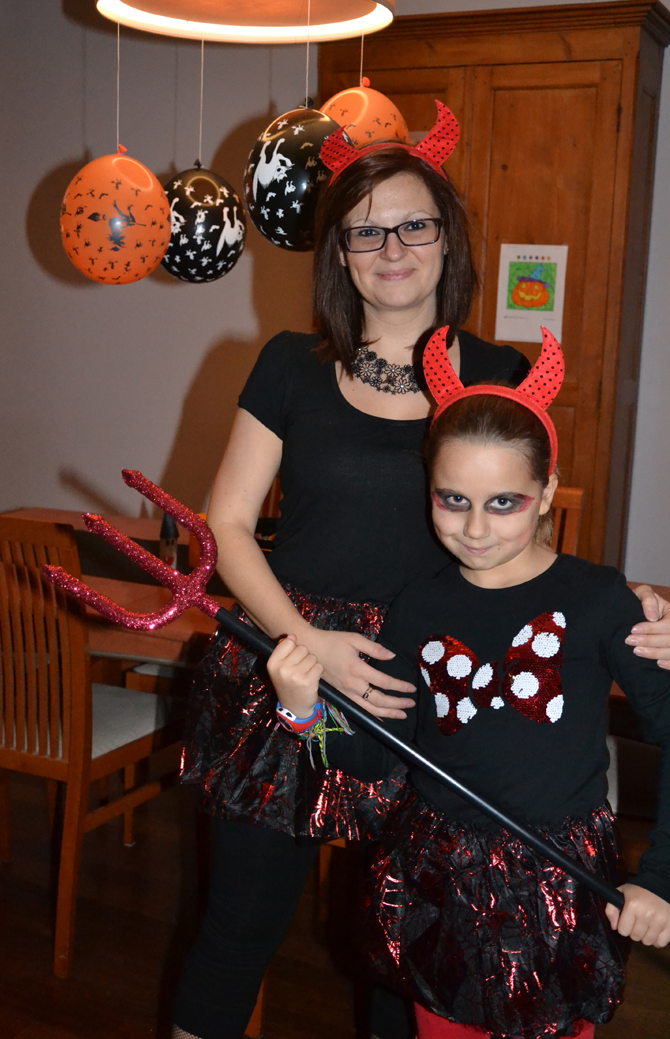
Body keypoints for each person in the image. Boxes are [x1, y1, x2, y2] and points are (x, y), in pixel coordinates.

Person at [171, 107, 670, 1039]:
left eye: (414, 225)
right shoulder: (288, 366)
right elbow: (227, 526)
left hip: (442, 682)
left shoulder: (499, 371)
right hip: (297, 667)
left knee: (413, 953)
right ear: (340, 252)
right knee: (237, 928)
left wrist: (631, 602)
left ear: (448, 240)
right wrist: (306, 641)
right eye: (366, 231)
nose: (392, 248)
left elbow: (523, 531)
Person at [267, 326, 670, 1039]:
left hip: (559, 886)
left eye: (503, 502)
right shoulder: (417, 607)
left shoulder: (602, 600)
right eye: (453, 500)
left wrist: (660, 879)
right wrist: (306, 714)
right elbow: (374, 756)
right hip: (437, 878)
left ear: (547, 492)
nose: (476, 529)